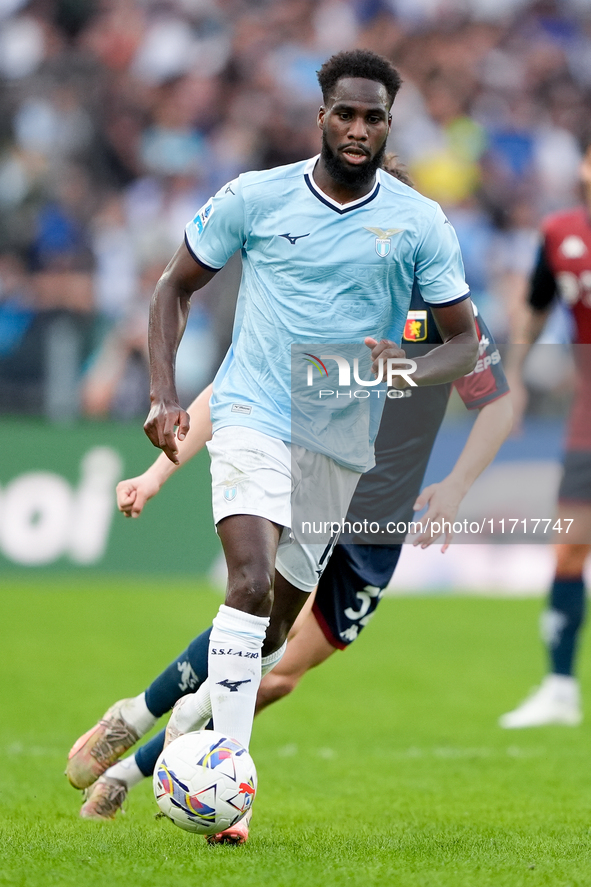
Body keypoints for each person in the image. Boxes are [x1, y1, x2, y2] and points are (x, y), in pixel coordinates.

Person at [67, 158, 509, 841]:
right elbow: (242, 387)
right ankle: (178, 759)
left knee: (273, 667)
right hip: (295, 471)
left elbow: (495, 404)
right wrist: (156, 475)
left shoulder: (443, 309)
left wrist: (454, 484)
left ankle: (147, 756)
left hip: (371, 525)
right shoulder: (329, 296)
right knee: (249, 598)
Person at [140, 49, 478, 784]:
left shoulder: (419, 223)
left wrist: (406, 368)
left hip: (338, 447)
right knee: (250, 583)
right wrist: (164, 395)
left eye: (373, 117)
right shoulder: (255, 197)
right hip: (253, 414)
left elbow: (466, 347)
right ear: (320, 116)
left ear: (390, 126)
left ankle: (148, 736)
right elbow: (173, 288)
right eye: (346, 114)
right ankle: (228, 776)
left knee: (274, 628)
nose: (358, 129)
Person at [499, 137, 591, 729]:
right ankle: (559, 686)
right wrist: (515, 373)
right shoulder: (560, 234)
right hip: (587, 420)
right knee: (568, 547)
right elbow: (533, 306)